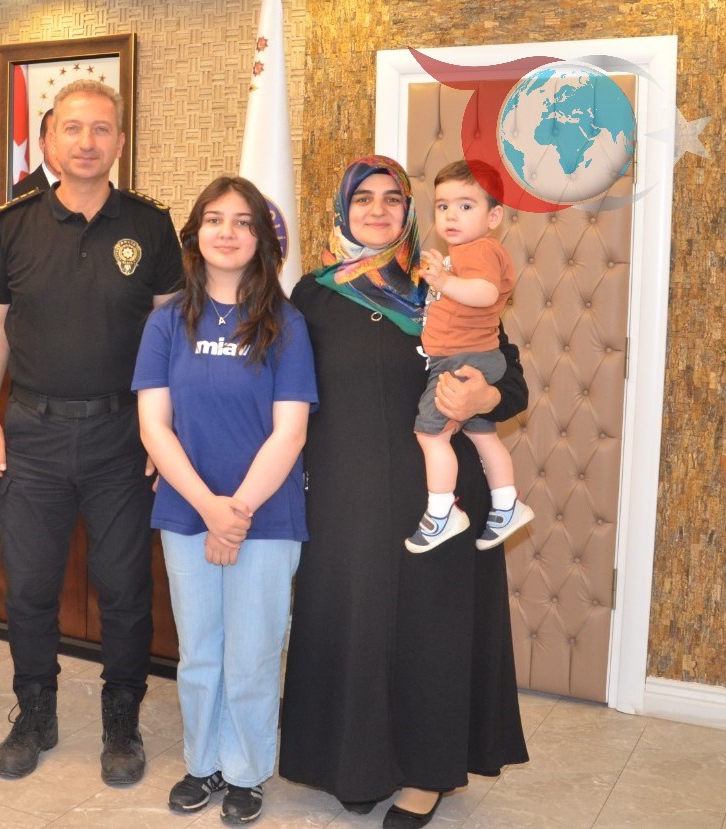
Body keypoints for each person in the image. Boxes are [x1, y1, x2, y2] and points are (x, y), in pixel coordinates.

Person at [278, 155, 529, 829]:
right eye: (364, 198)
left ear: (410, 212)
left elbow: (512, 382)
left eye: (393, 198)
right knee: (353, 624)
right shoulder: (313, 295)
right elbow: (279, 391)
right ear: (343, 208)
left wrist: (484, 396)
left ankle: (426, 774)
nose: (378, 209)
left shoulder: (445, 281)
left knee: (431, 631)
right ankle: (357, 764)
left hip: (440, 497)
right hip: (345, 494)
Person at [0, 79, 182, 785]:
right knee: (29, 588)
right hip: (31, 433)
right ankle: (35, 712)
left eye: (100, 129)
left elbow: (171, 333)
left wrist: (163, 429)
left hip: (123, 435)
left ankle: (122, 720)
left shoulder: (151, 226)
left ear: (120, 141)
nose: (86, 142)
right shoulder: (15, 223)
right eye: (72, 128)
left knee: (124, 588)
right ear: (48, 140)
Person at [132, 176, 316, 825]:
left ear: (262, 238)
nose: (227, 232)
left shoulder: (286, 324)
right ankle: (202, 761)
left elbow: (291, 432)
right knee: (200, 650)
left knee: (254, 652)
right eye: (214, 219)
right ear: (195, 234)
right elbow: (154, 426)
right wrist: (210, 508)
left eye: (242, 222)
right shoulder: (166, 321)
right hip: (187, 511)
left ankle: (245, 770)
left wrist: (234, 512)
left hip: (267, 516)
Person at [408, 160, 534, 553]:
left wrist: (444, 280)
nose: (451, 215)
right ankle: (507, 504)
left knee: (431, 435)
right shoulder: (461, 254)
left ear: (494, 217)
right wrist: (441, 275)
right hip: (474, 357)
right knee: (483, 435)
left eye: (465, 206)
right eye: (443, 206)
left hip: (463, 360)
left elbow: (484, 293)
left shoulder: (481, 250)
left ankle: (442, 512)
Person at [12, 108, 59, 197]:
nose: (61, 147)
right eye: (54, 139)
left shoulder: (86, 189)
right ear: (42, 144)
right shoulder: (18, 195)